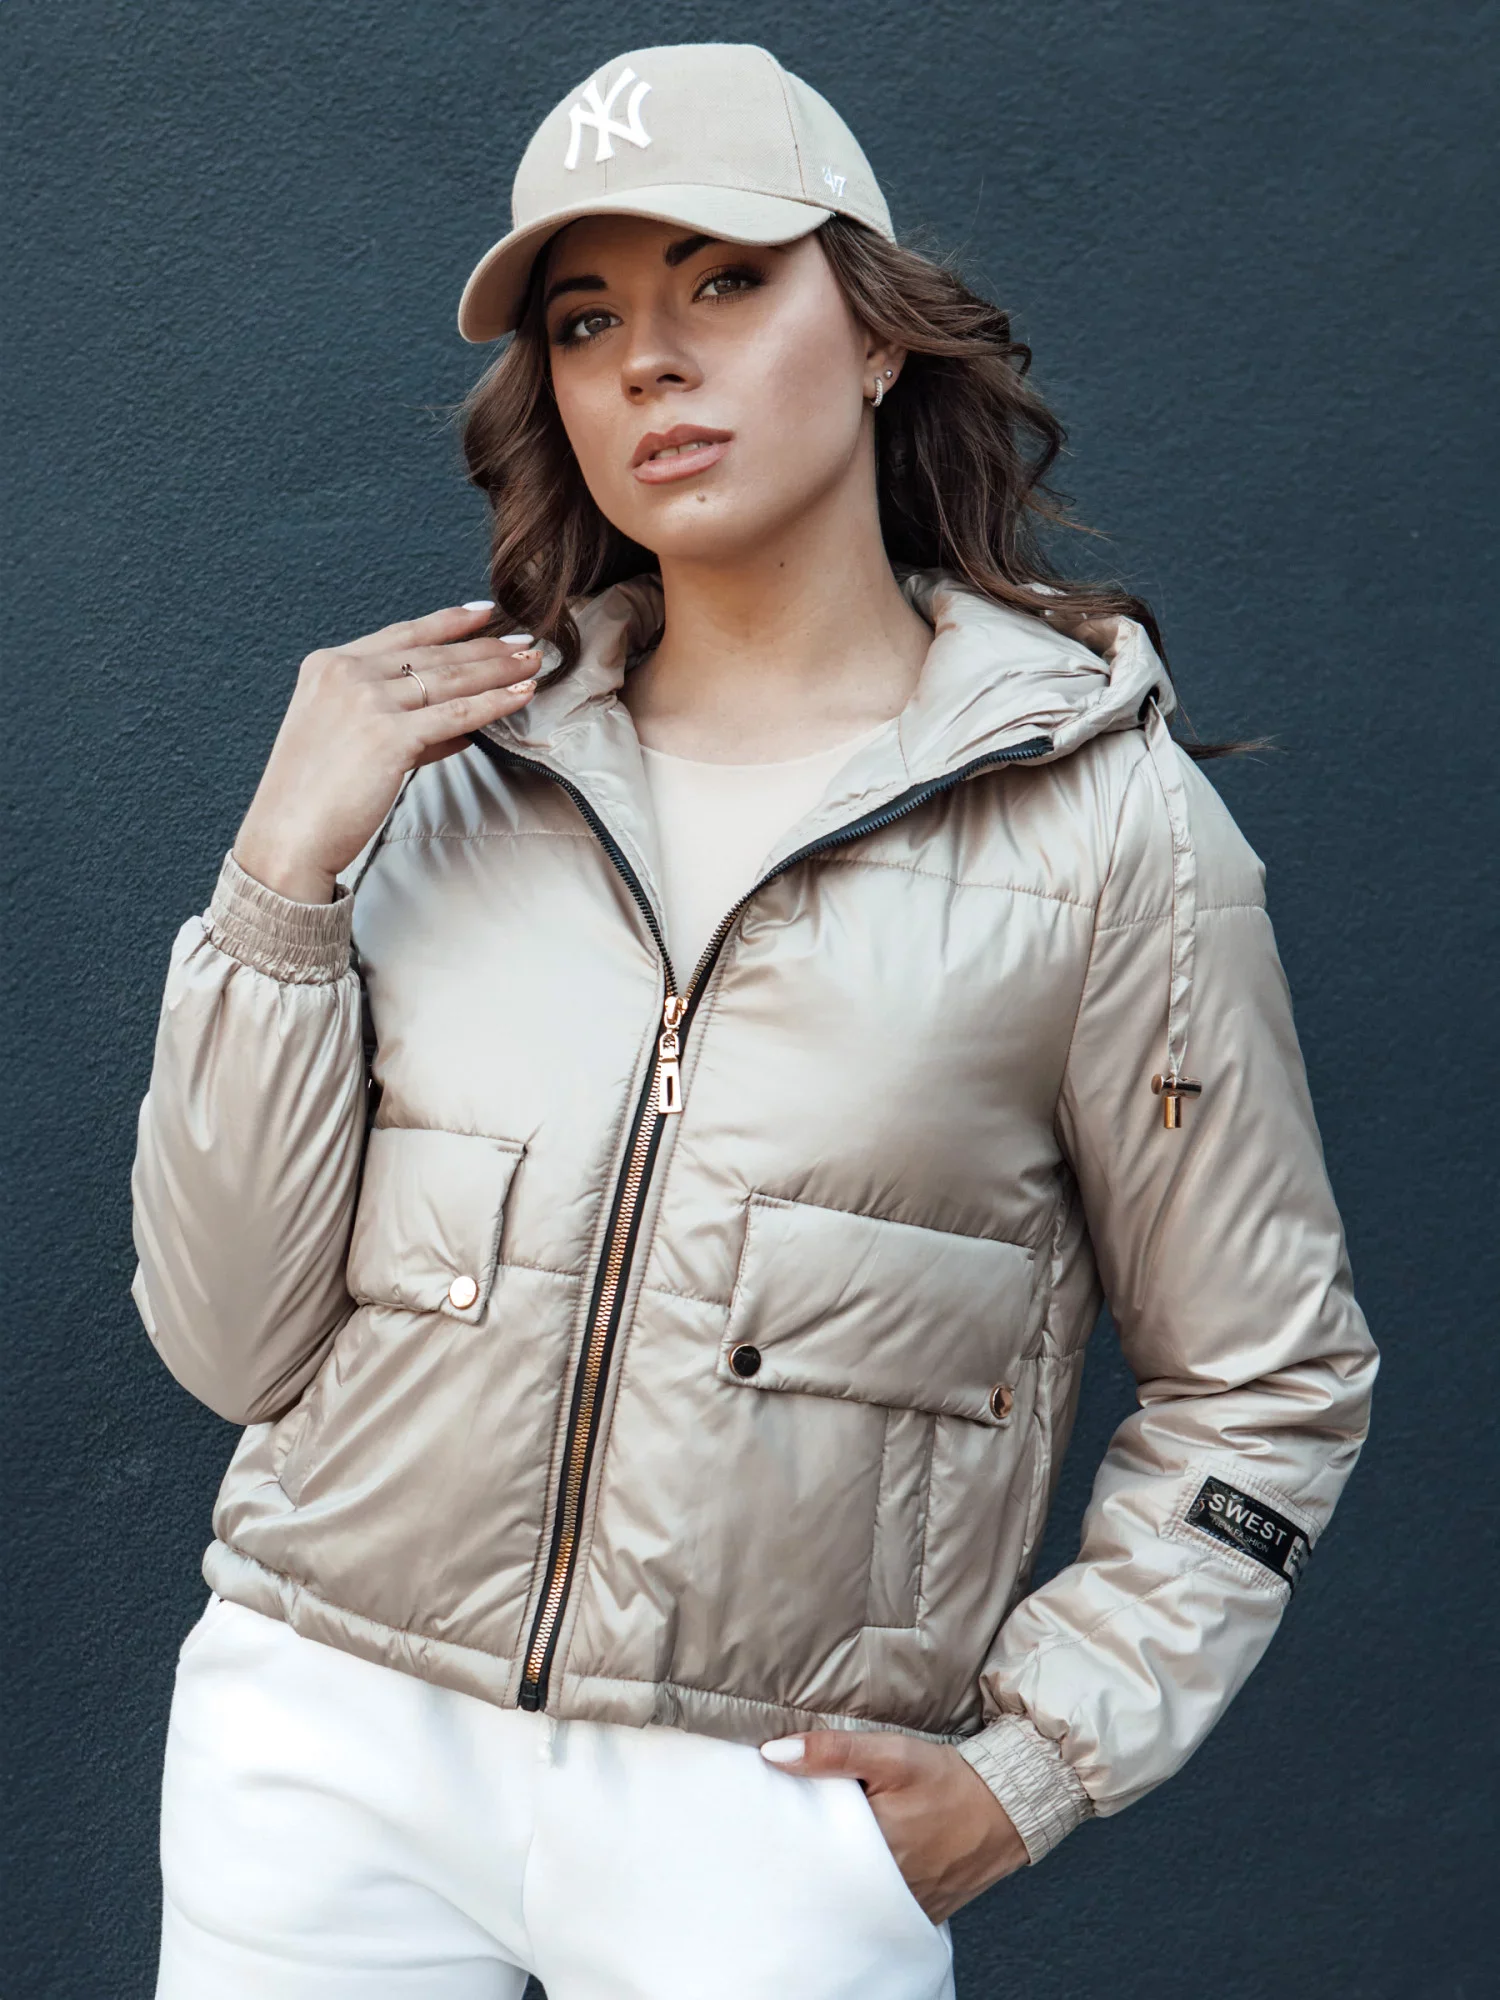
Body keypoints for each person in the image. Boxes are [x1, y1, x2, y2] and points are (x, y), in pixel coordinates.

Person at [132, 41, 1378, 2000]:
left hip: (762, 1813)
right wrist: (279, 879)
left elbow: (1271, 1381)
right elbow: (228, 1346)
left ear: (875, 334)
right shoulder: (448, 779)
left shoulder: (1109, 831)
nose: (650, 360)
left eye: (724, 280)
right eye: (585, 318)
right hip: (319, 1735)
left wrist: (1034, 1766)